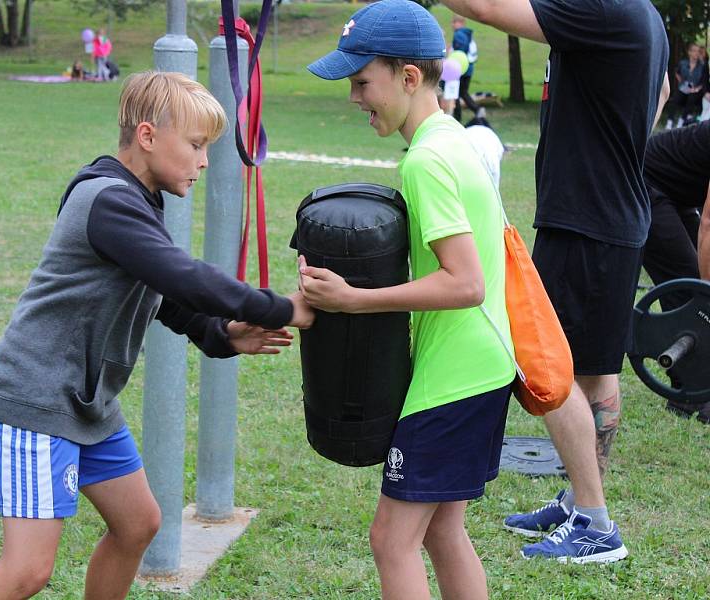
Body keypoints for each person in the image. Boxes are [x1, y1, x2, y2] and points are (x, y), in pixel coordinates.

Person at [0, 71, 314, 600]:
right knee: (26, 571)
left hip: (87, 403)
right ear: (146, 136)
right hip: (38, 397)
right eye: (194, 145)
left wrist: (220, 335)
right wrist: (282, 308)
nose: (203, 161)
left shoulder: (139, 202)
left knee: (138, 523)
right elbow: (183, 276)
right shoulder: (108, 200)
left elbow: (160, 294)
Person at [436, 0, 669, 563]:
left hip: (586, 223)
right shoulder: (643, 14)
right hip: (610, 217)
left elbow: (486, 8)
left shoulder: (604, 8)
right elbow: (657, 96)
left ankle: (595, 522)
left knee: (551, 369)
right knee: (595, 372)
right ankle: (580, 502)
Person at [304, 2, 516, 598]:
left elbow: (465, 282)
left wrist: (352, 299)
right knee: (444, 531)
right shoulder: (452, 137)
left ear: (408, 76)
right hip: (481, 367)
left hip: (452, 379)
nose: (355, 97)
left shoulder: (426, 159)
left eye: (362, 81)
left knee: (391, 540)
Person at [641, 120, 710, 423]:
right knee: (688, 288)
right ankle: (688, 394)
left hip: (678, 193)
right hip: (644, 182)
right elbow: (709, 224)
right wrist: (705, 296)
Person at [665, 43, 706, 129]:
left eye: (698, 51)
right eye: (694, 51)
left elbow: (703, 81)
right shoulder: (683, 63)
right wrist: (681, 82)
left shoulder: (702, 66)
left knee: (692, 98)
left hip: (695, 90)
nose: (696, 53)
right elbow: (677, 72)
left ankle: (682, 121)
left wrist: (696, 89)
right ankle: (670, 121)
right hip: (684, 87)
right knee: (675, 98)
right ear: (689, 52)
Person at [451, 15, 484, 123]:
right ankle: (477, 110)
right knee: (463, 92)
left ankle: (457, 117)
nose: (452, 25)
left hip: (461, 68)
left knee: (456, 93)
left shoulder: (459, 34)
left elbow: (460, 52)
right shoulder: (467, 35)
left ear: (460, 23)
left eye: (454, 22)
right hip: (469, 68)